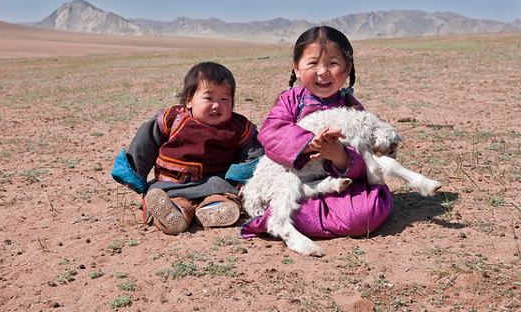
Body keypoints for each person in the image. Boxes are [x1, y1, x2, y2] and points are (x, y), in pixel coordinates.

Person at [241, 26, 393, 239]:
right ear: (297, 68)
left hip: (339, 183)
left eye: (333, 63)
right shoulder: (290, 101)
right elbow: (272, 133)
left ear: (348, 68)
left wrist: (339, 156)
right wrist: (310, 144)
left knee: (366, 211)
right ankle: (284, 218)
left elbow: (367, 155)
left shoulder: (352, 109)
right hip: (298, 181)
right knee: (288, 200)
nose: (322, 72)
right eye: (312, 63)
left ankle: (295, 220)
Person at [111, 62, 263, 235]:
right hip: (171, 184)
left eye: (224, 99)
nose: (216, 105)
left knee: (225, 196)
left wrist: (241, 178)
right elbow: (145, 142)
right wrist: (135, 172)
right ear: (189, 100)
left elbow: (254, 153)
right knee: (165, 199)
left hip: (216, 183)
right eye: (209, 98)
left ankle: (216, 208)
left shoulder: (238, 127)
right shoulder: (172, 119)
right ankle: (176, 214)